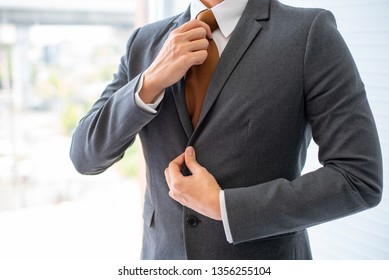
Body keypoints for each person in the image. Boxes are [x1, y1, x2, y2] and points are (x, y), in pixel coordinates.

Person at [70, 0, 383, 260]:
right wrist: (149, 82)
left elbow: (358, 177)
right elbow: (86, 156)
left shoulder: (309, 33)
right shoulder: (144, 43)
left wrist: (225, 206)